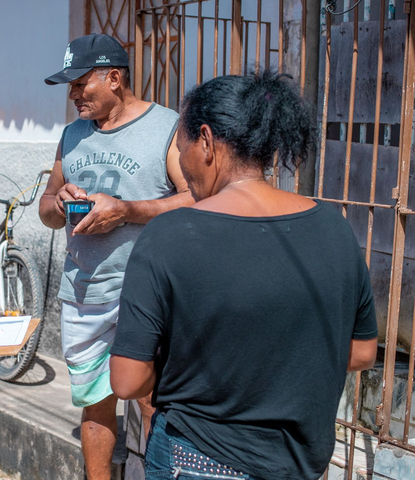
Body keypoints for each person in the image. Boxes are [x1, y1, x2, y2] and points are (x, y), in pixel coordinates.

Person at [110, 71, 379, 480]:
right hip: (299, 465)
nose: (181, 164)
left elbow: (128, 380)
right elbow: (361, 353)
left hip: (197, 460)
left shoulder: (169, 234)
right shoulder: (335, 228)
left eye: (181, 149)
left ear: (205, 141)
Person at [38, 33, 194, 480]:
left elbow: (195, 199)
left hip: (146, 291)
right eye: (69, 86)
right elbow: (46, 207)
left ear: (114, 78)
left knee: (152, 400)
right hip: (84, 292)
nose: (72, 95)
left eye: (80, 84)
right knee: (94, 403)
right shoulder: (72, 135)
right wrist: (59, 204)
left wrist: (127, 211)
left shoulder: (167, 128)